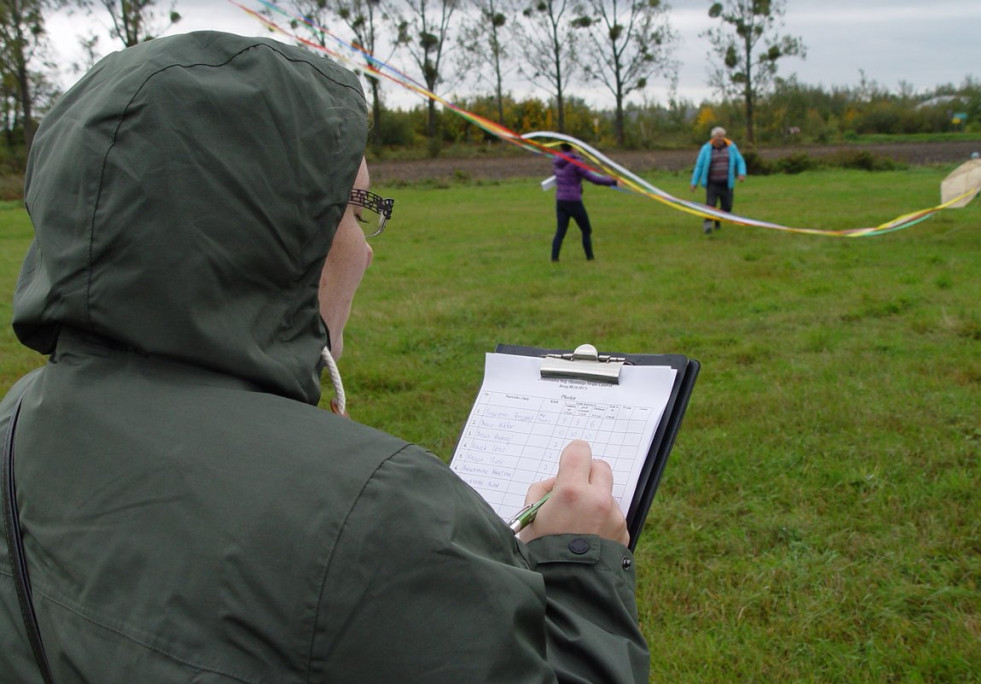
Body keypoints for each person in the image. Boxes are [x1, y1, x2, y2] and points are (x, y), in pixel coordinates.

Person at [0, 32, 648, 682]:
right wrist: (581, 570)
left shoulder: (15, 421)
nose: (367, 250)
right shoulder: (385, 518)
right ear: (270, 230)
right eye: (359, 209)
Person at [550, 142, 617, 261]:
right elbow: (595, 179)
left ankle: (554, 259)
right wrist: (613, 182)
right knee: (586, 229)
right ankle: (590, 258)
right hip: (573, 202)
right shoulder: (576, 163)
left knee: (560, 232)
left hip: (561, 201)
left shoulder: (557, 162)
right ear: (572, 148)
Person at [690, 126, 747, 234]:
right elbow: (699, 166)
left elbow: (740, 161)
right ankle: (707, 225)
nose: (721, 138)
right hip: (712, 183)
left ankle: (718, 220)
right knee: (710, 205)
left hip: (726, 183)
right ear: (713, 137)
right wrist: (694, 183)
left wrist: (741, 173)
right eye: (718, 136)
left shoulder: (731, 147)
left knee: (727, 207)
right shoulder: (706, 148)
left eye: (722, 136)